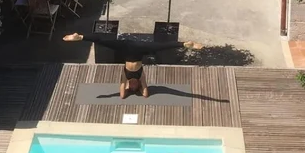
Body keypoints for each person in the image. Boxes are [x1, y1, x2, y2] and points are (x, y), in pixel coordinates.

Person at [63, 33, 203, 99]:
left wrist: (110, 95)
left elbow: (122, 95)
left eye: (132, 87)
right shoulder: (140, 76)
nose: (134, 86)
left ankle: (80, 37)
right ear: (138, 85)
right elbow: (145, 94)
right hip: (139, 50)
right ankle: (184, 44)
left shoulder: (125, 76)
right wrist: (141, 90)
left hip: (125, 48)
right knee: (159, 47)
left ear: (129, 85)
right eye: (136, 87)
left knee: (104, 42)